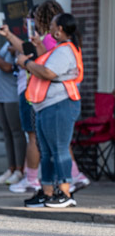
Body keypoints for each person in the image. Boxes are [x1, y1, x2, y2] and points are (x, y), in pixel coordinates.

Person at [19, 13, 83, 208]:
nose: (50, 30)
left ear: (60, 29)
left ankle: (65, 192)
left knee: (59, 149)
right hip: (47, 106)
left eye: (53, 26)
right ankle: (47, 192)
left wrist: (26, 63)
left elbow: (48, 73)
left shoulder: (65, 50)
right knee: (46, 152)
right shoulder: (59, 49)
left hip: (59, 105)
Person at [0, 41, 26, 185]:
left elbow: (7, 67)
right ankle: (10, 168)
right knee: (7, 133)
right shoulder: (7, 42)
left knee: (17, 133)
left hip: (12, 95)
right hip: (1, 94)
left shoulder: (19, 43)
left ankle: (19, 169)